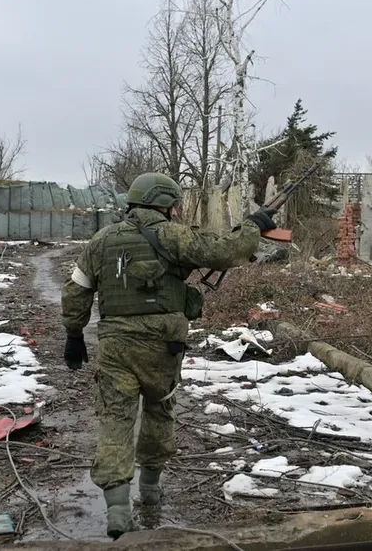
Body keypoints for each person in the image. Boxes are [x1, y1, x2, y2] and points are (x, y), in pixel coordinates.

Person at [60, 172, 276, 538]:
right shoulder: (174, 235)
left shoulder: (101, 240)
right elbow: (225, 252)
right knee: (160, 411)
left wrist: (73, 333)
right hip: (163, 346)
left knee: (116, 419)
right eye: (174, 205)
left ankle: (117, 511)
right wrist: (254, 227)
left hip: (115, 346)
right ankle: (150, 491)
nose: (176, 211)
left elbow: (77, 289)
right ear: (164, 203)